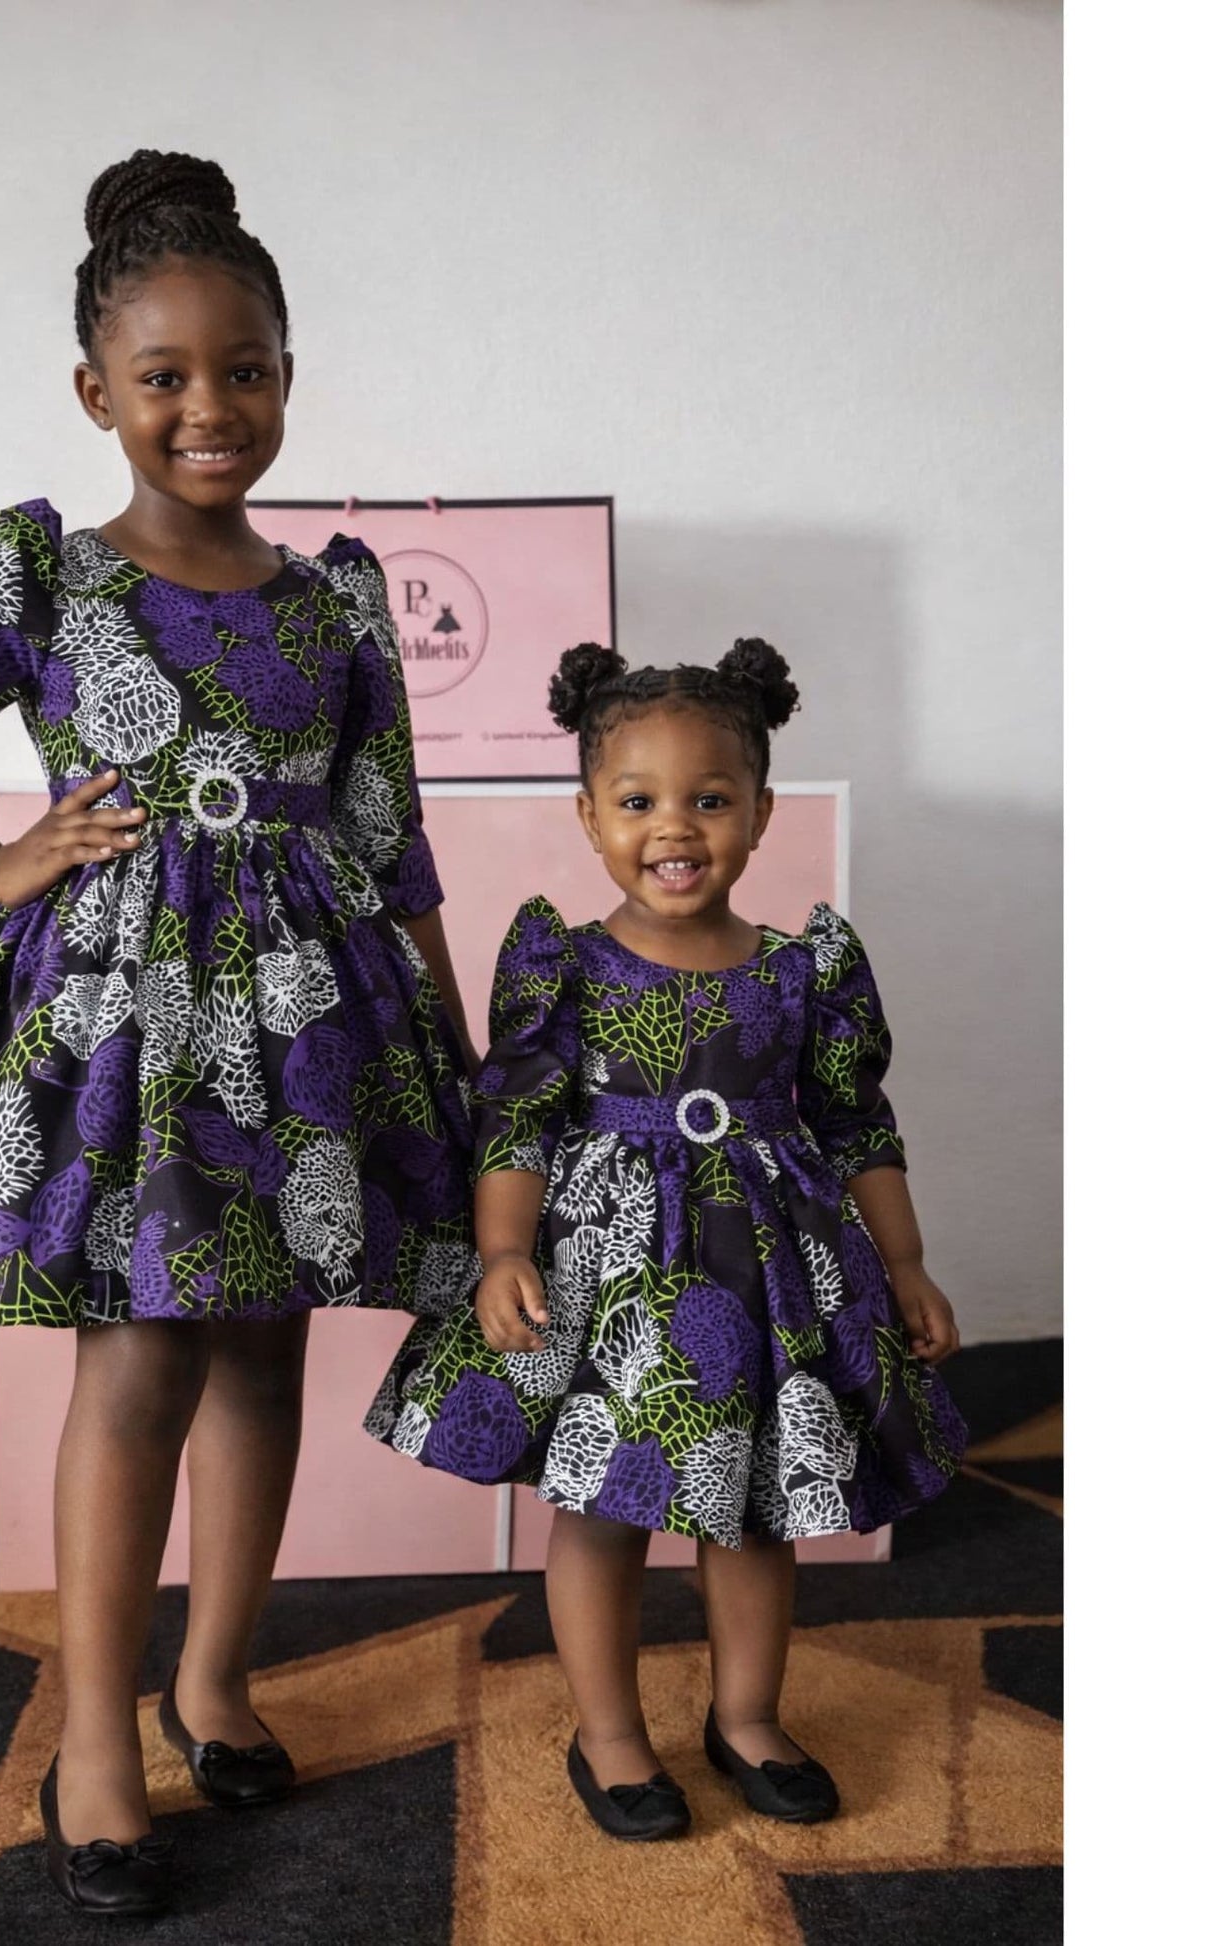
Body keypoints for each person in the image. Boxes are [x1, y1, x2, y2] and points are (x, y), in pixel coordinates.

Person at [0, 149, 475, 1915]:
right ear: (98, 392)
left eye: (242, 369)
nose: (208, 407)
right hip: (127, 1034)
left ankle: (215, 1682)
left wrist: (458, 1065)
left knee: (263, 1353)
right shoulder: (43, 575)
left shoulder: (336, 598)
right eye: (164, 375)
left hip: (312, 1032)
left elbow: (393, 843)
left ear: (288, 374)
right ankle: (94, 1740)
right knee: (140, 1362)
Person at [367, 637, 965, 1839]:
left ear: (759, 813)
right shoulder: (564, 963)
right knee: (603, 1503)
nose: (673, 827)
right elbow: (516, 1117)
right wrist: (502, 1250)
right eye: (636, 801)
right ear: (588, 816)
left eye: (709, 799)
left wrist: (903, 1261)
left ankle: (746, 1716)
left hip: (766, 1279)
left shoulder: (803, 971)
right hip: (611, 1280)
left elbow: (856, 1123)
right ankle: (610, 1732)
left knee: (753, 1506)